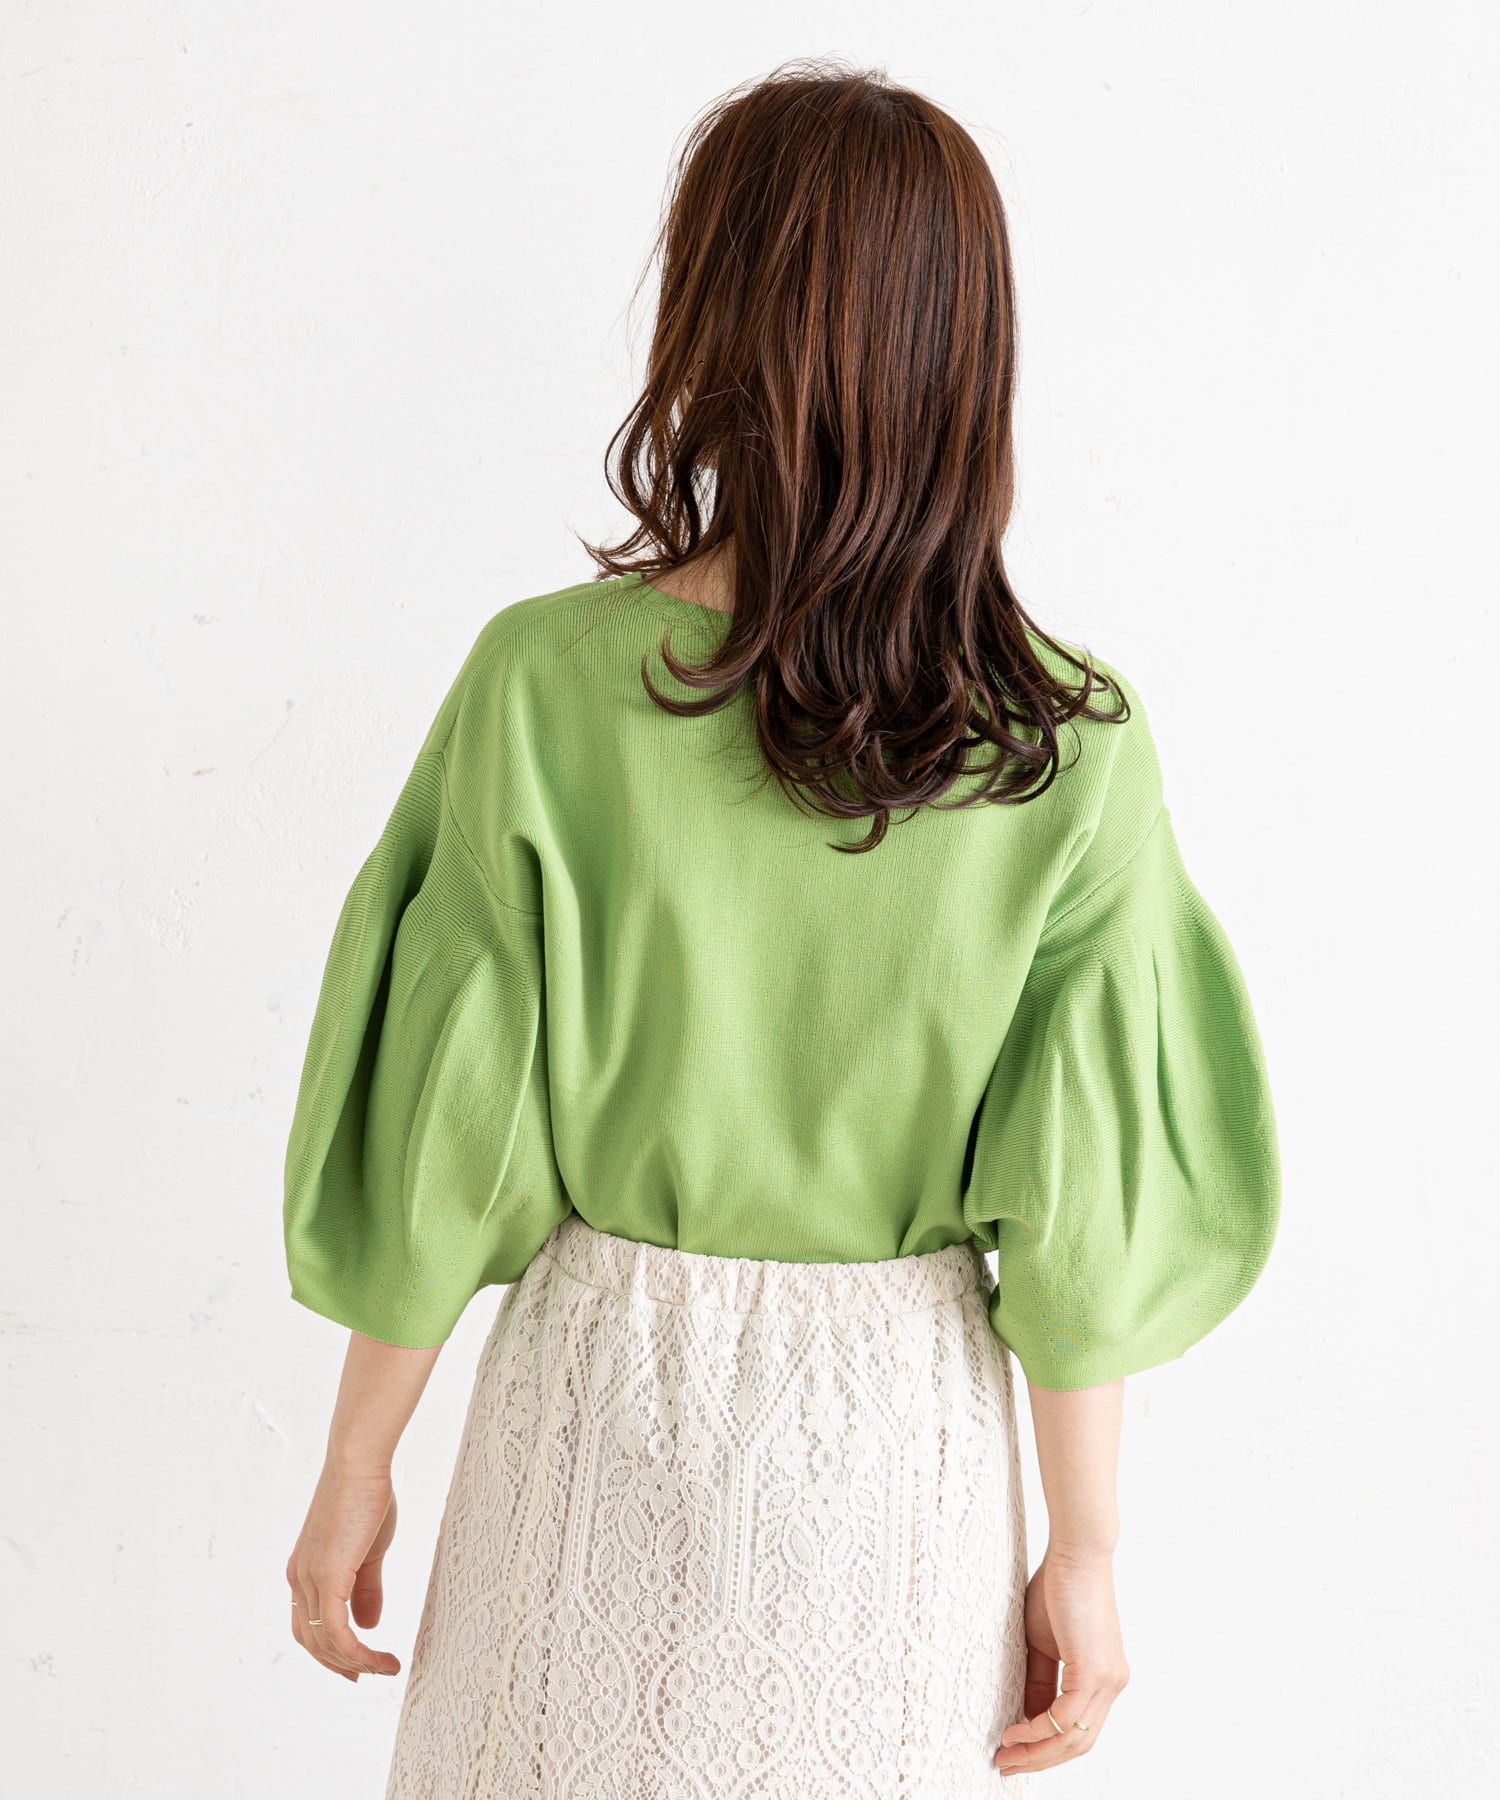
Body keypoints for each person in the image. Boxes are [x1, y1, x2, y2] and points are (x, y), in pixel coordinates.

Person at [279, 59, 1280, 1798]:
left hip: (591, 1434)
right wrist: (1088, 1552)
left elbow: (451, 1132)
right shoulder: (1071, 746)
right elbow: (1077, 1211)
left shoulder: (544, 685)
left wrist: (356, 1463)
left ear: (712, 324)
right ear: (968, 352)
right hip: (897, 1469)